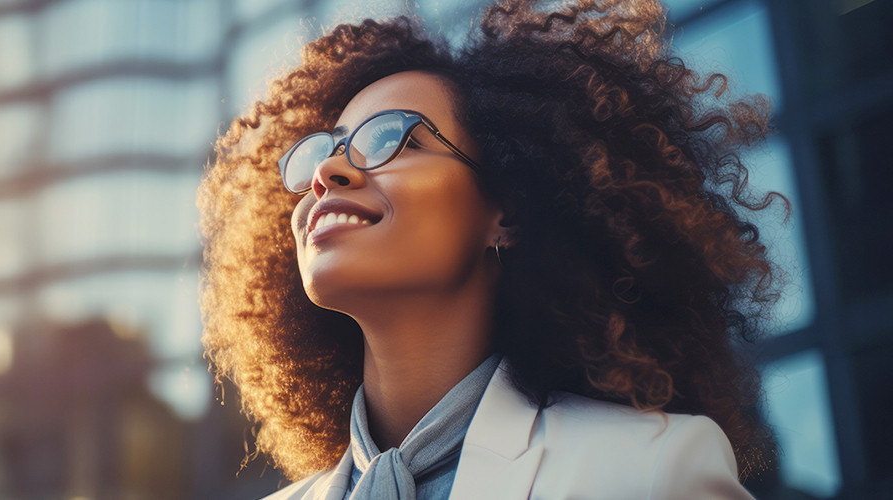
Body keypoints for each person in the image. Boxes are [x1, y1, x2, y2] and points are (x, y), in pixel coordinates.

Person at [197, 0, 787, 498]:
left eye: (388, 139)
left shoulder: (651, 469)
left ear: (505, 212)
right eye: (322, 151)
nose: (327, 170)